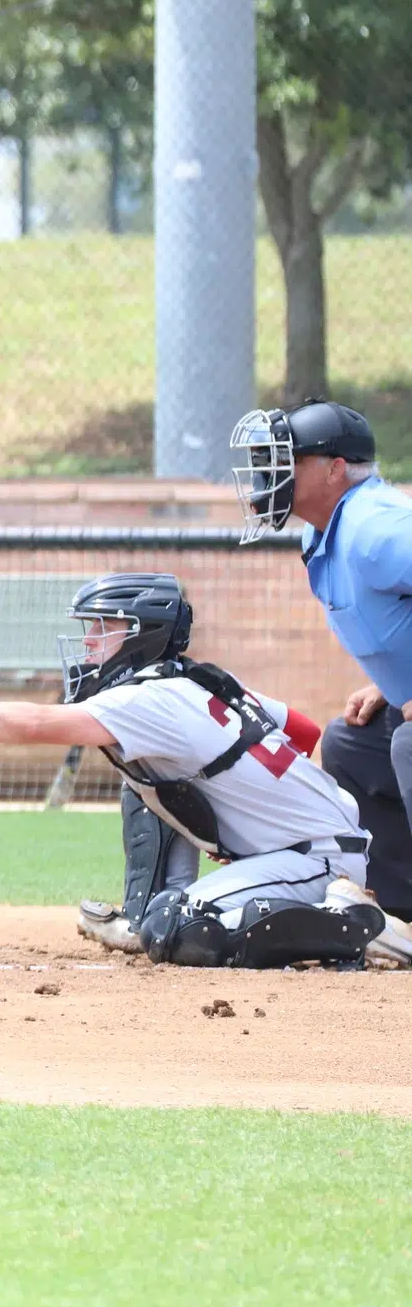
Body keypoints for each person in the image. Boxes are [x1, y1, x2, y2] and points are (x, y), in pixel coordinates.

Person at [0, 572, 407, 969]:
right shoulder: (198, 680)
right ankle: (188, 906)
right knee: (146, 779)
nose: (89, 644)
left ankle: (353, 923)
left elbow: (31, 727)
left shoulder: (149, 698)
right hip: (309, 845)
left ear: (143, 634)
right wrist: (256, 813)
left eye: (104, 629)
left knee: (181, 931)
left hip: (314, 856)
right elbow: (301, 733)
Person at [231, 399, 412, 966]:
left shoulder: (372, 526)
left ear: (336, 469)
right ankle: (400, 914)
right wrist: (388, 684)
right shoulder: (325, 535)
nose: (272, 474)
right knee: (351, 745)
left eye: (290, 460)